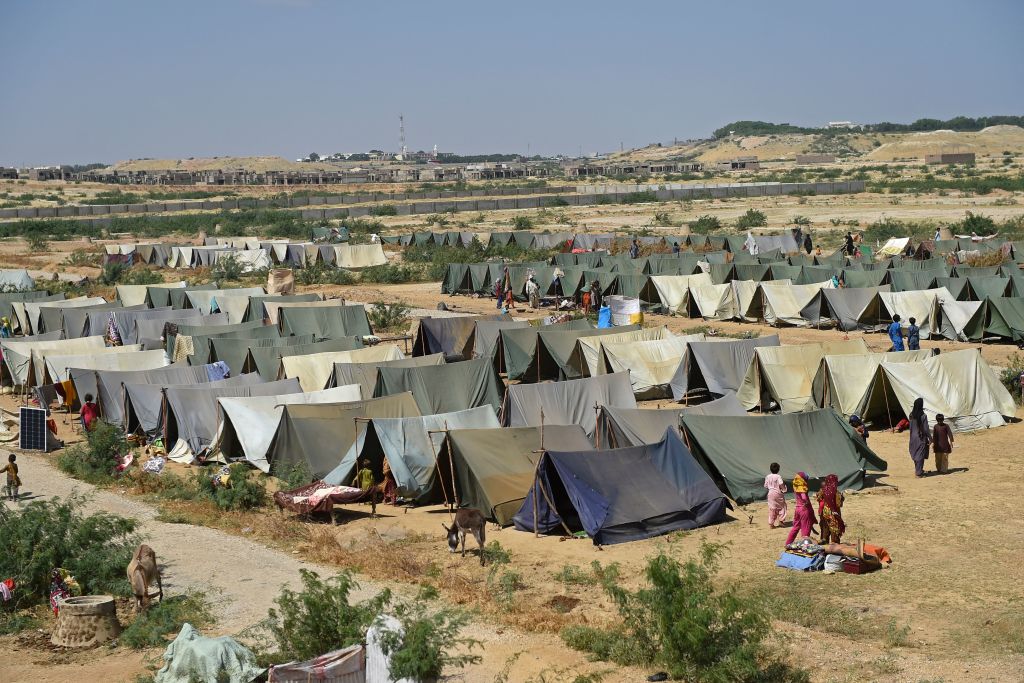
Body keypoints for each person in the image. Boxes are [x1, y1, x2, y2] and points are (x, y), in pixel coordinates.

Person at [785, 472, 817, 545]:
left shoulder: (796, 485)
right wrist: (806, 502)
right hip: (804, 510)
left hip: (797, 508)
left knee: (795, 527)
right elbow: (804, 497)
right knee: (805, 530)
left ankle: (788, 543)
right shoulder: (801, 486)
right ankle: (804, 546)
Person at [816, 473, 845, 544]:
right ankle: (834, 548)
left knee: (825, 531)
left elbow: (819, 498)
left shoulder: (822, 490)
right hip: (834, 514)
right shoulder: (836, 493)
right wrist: (842, 498)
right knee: (834, 531)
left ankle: (824, 548)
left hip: (825, 513)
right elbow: (839, 504)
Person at [908, 397, 931, 478]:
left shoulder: (911, 415)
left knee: (915, 453)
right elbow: (926, 429)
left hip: (913, 437)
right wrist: (930, 438)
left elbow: (910, 427)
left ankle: (918, 470)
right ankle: (919, 473)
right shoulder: (923, 416)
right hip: (921, 437)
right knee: (920, 455)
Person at [764, 462, 787, 528]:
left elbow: (765, 485)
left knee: (772, 508)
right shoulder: (778, 476)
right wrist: (784, 489)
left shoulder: (768, 476)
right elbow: (781, 484)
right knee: (782, 506)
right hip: (778, 493)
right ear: (778, 469)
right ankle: (781, 521)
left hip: (770, 493)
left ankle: (771, 523)